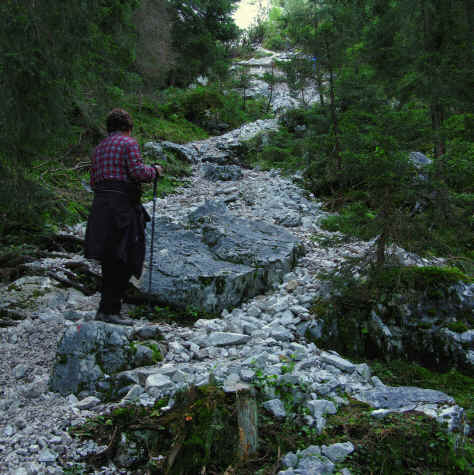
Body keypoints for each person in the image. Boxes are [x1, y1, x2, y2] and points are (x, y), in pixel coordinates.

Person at [85, 108, 163, 325]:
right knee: (125, 257)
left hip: (101, 207)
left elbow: (94, 183)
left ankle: (105, 308)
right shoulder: (129, 144)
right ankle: (112, 311)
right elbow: (138, 173)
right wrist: (155, 170)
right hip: (122, 207)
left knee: (109, 258)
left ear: (109, 128)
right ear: (128, 127)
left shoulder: (98, 149)